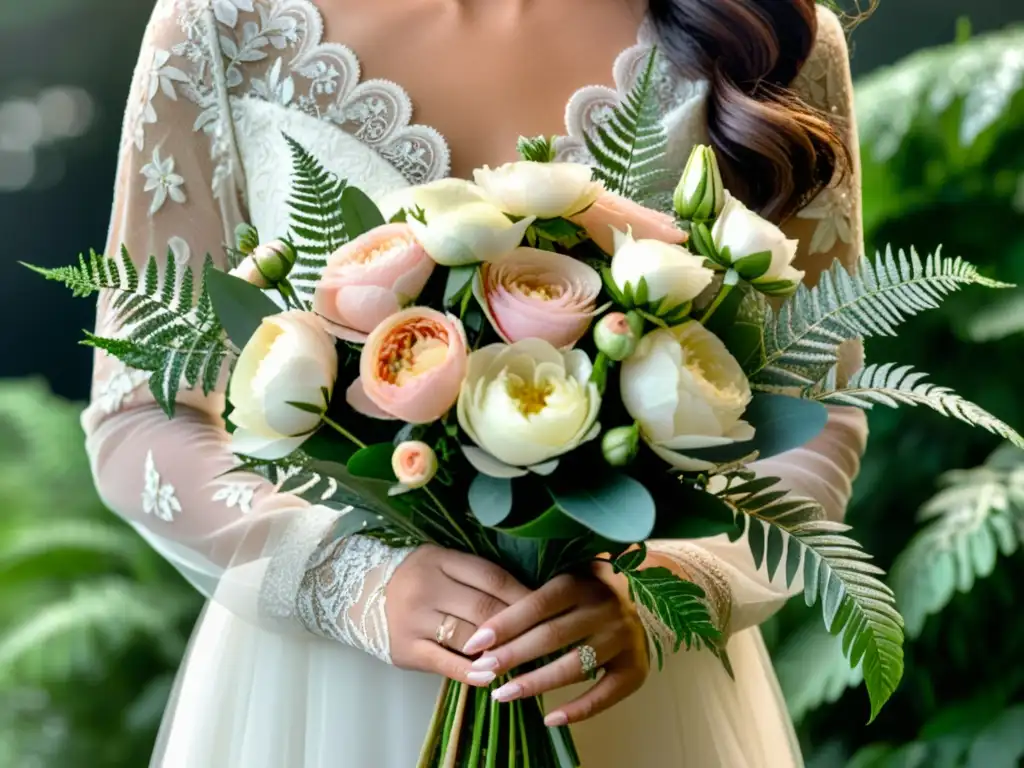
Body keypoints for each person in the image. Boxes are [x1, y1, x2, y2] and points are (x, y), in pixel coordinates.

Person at [84, 0, 869, 765]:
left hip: (618, 679)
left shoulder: (769, 35)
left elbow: (815, 410)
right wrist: (351, 584)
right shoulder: (222, 26)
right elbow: (138, 416)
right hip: (330, 698)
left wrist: (664, 596)